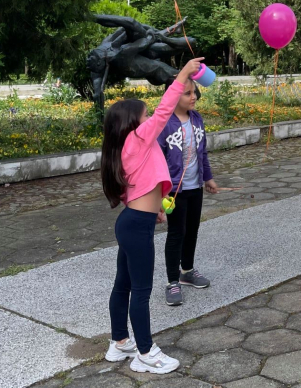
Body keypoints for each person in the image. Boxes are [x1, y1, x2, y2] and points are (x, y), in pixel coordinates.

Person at [100, 57, 202, 375]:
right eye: (143, 118)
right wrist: (183, 75)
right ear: (133, 124)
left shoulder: (128, 148)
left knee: (124, 285)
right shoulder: (139, 139)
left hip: (133, 220)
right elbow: (162, 112)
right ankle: (145, 352)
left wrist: (156, 206)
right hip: (135, 226)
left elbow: (139, 183)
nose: (150, 122)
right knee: (141, 291)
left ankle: (119, 343)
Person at [158, 80, 219, 307]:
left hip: (195, 187)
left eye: (194, 92)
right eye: (187, 93)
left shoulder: (196, 119)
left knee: (192, 229)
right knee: (176, 232)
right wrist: (160, 191)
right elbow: (158, 159)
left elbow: (202, 153)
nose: (193, 97)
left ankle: (187, 270)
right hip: (174, 190)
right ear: (174, 96)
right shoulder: (164, 124)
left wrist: (208, 178)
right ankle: (172, 281)